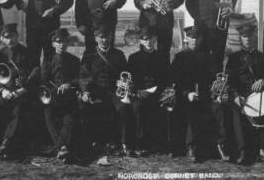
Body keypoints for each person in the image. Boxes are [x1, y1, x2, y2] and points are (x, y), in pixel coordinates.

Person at [227, 24, 264, 164]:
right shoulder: (233, 58)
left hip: (259, 94)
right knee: (237, 112)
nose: (247, 39)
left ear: (254, 37)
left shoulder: (262, 57)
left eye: (249, 36)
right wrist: (236, 96)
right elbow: (229, 82)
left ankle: (263, 150)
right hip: (241, 95)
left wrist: (262, 80)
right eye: (244, 36)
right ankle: (242, 151)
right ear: (240, 38)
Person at [79, 24, 126, 165]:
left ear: (111, 37)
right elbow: (83, 75)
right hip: (96, 92)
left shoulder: (119, 54)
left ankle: (122, 144)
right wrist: (86, 91)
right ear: (96, 38)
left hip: (114, 92)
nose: (104, 40)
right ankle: (91, 143)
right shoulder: (89, 55)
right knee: (86, 108)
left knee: (123, 108)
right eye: (101, 37)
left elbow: (125, 75)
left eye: (107, 37)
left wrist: (123, 86)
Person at [169, 26, 218, 162]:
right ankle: (191, 147)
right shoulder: (180, 57)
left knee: (213, 109)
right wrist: (187, 93)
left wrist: (213, 90)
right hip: (185, 95)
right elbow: (175, 81)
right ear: (186, 39)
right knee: (190, 109)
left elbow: (213, 77)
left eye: (198, 38)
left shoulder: (208, 57)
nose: (195, 41)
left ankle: (217, 146)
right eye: (192, 38)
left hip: (204, 93)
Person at [0, 23, 38, 159]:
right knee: (1, 110)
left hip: (21, 91)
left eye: (12, 36)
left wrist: (23, 89)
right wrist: (2, 91)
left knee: (18, 110)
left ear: (17, 36)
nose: (10, 40)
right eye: (6, 37)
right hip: (5, 91)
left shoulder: (27, 52)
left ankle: (6, 142)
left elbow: (35, 72)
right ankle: (3, 142)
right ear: (2, 39)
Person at [126, 27, 170, 155]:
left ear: (155, 39)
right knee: (138, 108)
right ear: (140, 41)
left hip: (158, 93)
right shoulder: (133, 58)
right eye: (144, 40)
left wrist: (160, 92)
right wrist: (138, 91)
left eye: (150, 38)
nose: (148, 42)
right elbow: (129, 79)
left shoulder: (163, 57)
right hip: (140, 93)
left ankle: (160, 144)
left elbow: (167, 78)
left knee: (163, 108)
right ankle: (140, 144)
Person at [40, 28, 80, 162]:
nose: (61, 45)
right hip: (53, 96)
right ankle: (62, 147)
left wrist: (69, 84)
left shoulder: (74, 60)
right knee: (48, 115)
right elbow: (44, 81)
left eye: (64, 42)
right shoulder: (47, 60)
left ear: (67, 43)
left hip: (69, 96)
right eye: (58, 42)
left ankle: (60, 147)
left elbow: (79, 78)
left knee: (69, 119)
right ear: (53, 44)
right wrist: (53, 91)